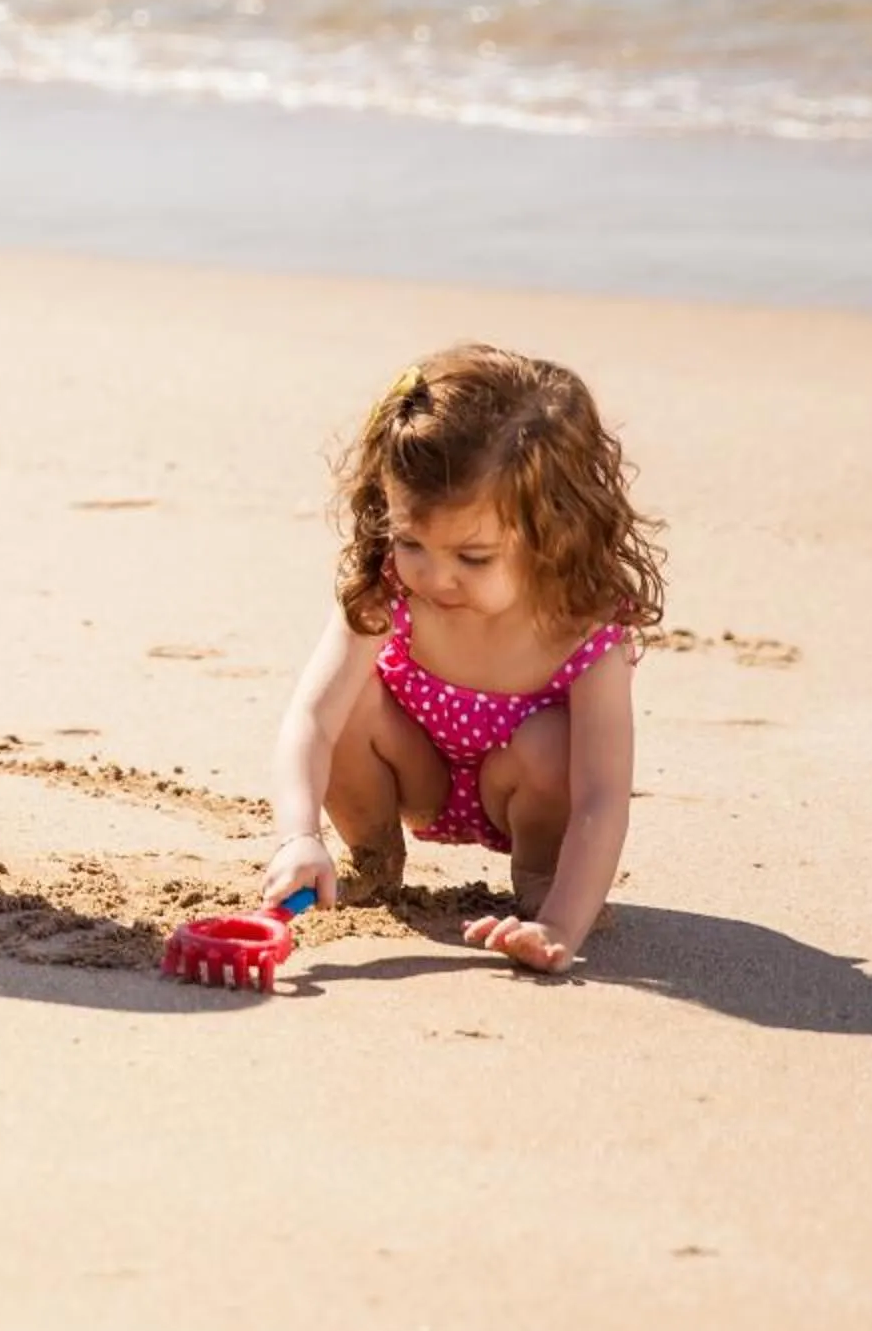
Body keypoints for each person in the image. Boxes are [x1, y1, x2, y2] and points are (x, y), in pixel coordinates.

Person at [259, 344, 666, 973]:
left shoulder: (585, 627)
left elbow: (600, 796)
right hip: (413, 771)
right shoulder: (387, 588)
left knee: (553, 743)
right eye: (409, 541)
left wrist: (563, 925)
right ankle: (373, 860)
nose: (433, 576)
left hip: (528, 794)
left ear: (554, 531)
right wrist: (299, 836)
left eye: (472, 558)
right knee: (350, 704)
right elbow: (310, 722)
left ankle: (538, 884)